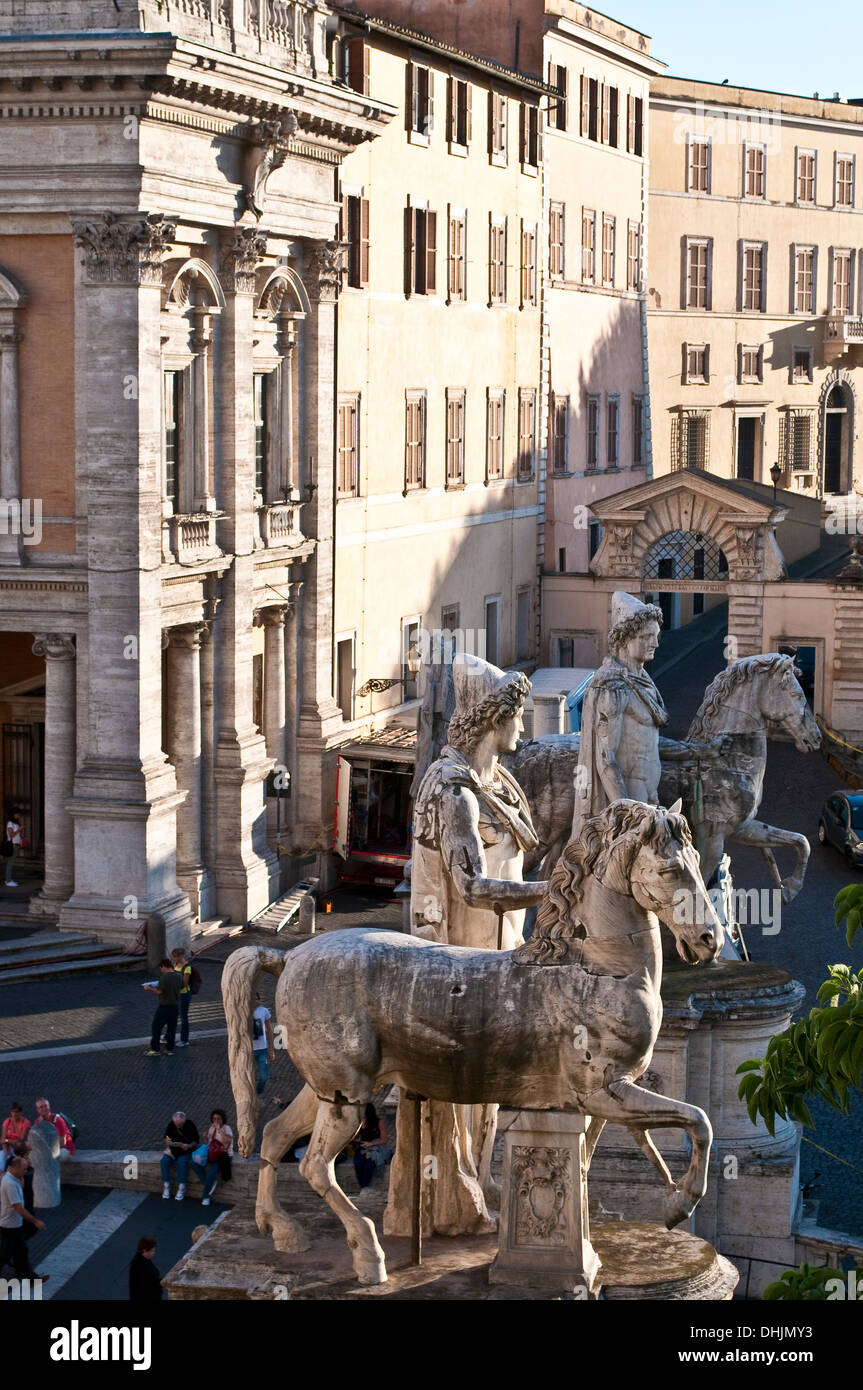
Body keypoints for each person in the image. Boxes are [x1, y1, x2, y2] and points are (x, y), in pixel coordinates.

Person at [386, 653, 548, 1241]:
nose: (525, 727)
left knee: (490, 1095)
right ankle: (448, 1199)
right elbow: (474, 886)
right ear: (493, 719)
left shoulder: (498, 783)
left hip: (501, 963)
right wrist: (554, 893)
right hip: (459, 970)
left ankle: (473, 1183)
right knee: (465, 1095)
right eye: (519, 715)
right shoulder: (455, 793)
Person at [572, 591, 723, 841]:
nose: (656, 643)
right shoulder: (613, 687)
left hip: (648, 796)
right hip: (630, 806)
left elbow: (648, 741)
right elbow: (605, 758)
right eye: (647, 637)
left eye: (656, 636)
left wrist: (699, 751)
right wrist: (626, 813)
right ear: (624, 639)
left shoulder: (641, 682)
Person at [0, 1155, 47, 1282]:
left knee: (21, 1251)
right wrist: (35, 1221)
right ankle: (32, 1278)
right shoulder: (10, 1183)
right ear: (12, 1168)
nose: (25, 1172)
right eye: (23, 1169)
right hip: (10, 1226)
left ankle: (32, 1278)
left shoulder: (14, 1179)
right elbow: (18, 1207)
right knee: (6, 1255)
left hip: (13, 1224)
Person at [192, 1109, 233, 1206]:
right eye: (214, 1119)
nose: (216, 1121)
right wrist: (205, 1138)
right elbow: (209, 1144)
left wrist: (219, 1130)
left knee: (211, 1172)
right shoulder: (211, 1128)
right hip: (212, 1153)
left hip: (223, 1155)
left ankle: (206, 1197)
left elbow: (227, 1141)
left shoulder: (227, 1128)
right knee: (193, 1162)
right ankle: (209, 1183)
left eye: (219, 1119)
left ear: (223, 1120)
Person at [143, 959, 183, 1056]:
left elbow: (159, 992)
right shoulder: (179, 976)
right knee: (171, 1028)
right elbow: (181, 987)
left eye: (161, 968)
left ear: (164, 966)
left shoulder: (164, 977)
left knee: (156, 1027)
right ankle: (169, 1049)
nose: (161, 970)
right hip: (175, 1005)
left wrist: (149, 988)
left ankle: (155, 1050)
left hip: (165, 1006)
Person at [161, 1110, 199, 1201]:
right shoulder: (171, 1124)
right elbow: (166, 1136)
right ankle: (166, 1186)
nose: (178, 1126)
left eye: (180, 1124)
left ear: (184, 1121)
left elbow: (196, 1140)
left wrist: (189, 1146)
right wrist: (167, 1140)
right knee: (164, 1161)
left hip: (186, 1151)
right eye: (176, 1124)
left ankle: (182, 1187)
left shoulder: (190, 1125)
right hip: (173, 1150)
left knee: (182, 1162)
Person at [352, 1104, 392, 1192]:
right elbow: (355, 1136)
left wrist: (372, 1143)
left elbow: (384, 1139)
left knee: (369, 1165)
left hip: (375, 1147)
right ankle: (362, 1187)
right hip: (363, 1147)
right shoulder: (361, 1122)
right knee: (358, 1163)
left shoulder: (378, 1122)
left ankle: (365, 1187)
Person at [251, 992, 275, 1095]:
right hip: (249, 1050)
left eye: (257, 999)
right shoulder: (244, 1011)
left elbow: (270, 1030)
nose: (255, 1001)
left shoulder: (264, 1011)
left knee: (264, 1077)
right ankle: (251, 1099)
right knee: (249, 1078)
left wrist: (271, 1049)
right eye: (253, 999)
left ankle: (256, 1094)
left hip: (262, 1049)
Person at [128, 1235, 162, 1302]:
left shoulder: (143, 1260)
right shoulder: (139, 1265)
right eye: (152, 1251)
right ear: (144, 1250)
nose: (153, 1253)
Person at [171, 947, 193, 1048]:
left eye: (175, 957)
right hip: (177, 994)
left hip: (184, 995)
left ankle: (184, 1040)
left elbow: (184, 983)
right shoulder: (175, 965)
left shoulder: (187, 967)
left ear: (180, 956)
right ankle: (168, 1036)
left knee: (183, 1018)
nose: (174, 959)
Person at [4, 809, 24, 887]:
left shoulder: (15, 823)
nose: (18, 815)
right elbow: (11, 835)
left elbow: (17, 835)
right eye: (17, 814)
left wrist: (21, 840)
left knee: (11, 863)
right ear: (13, 814)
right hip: (12, 845)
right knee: (10, 863)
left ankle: (9, 879)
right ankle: (8, 881)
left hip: (16, 844)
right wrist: (20, 829)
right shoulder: (10, 823)